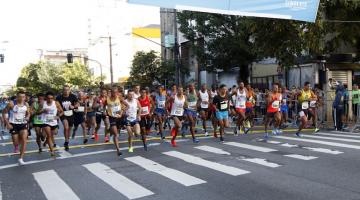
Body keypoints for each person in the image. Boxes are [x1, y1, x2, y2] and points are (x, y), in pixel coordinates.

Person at [2, 90, 30, 165]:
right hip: (13, 124)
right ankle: (16, 146)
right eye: (20, 97)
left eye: (23, 97)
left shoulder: (26, 104)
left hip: (23, 124)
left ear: (25, 97)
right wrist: (7, 123)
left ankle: (21, 158)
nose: (21, 98)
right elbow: (4, 112)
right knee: (16, 141)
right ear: (17, 97)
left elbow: (28, 113)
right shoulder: (11, 104)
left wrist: (27, 117)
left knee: (24, 140)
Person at [105, 86, 127, 156]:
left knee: (117, 132)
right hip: (112, 117)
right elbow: (103, 106)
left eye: (115, 92)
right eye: (113, 92)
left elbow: (127, 106)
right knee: (116, 134)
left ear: (117, 92)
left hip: (119, 117)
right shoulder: (107, 99)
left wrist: (122, 112)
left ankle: (109, 130)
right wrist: (104, 111)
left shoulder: (119, 98)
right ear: (111, 92)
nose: (114, 93)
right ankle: (118, 150)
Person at [56, 85, 78, 151]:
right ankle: (66, 141)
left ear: (69, 90)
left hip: (71, 114)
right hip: (63, 114)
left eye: (67, 90)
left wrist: (73, 106)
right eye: (64, 90)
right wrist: (58, 110)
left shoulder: (73, 96)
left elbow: (78, 104)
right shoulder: (59, 97)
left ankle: (67, 140)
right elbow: (56, 105)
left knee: (69, 129)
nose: (66, 91)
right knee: (66, 127)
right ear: (62, 91)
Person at [42, 91, 63, 157]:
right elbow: (37, 112)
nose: (50, 99)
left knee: (54, 133)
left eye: (51, 98)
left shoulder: (56, 103)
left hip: (54, 122)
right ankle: (52, 151)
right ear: (46, 98)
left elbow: (62, 111)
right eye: (48, 98)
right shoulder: (43, 103)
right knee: (49, 136)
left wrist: (58, 116)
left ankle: (46, 141)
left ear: (53, 98)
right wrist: (43, 111)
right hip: (46, 121)